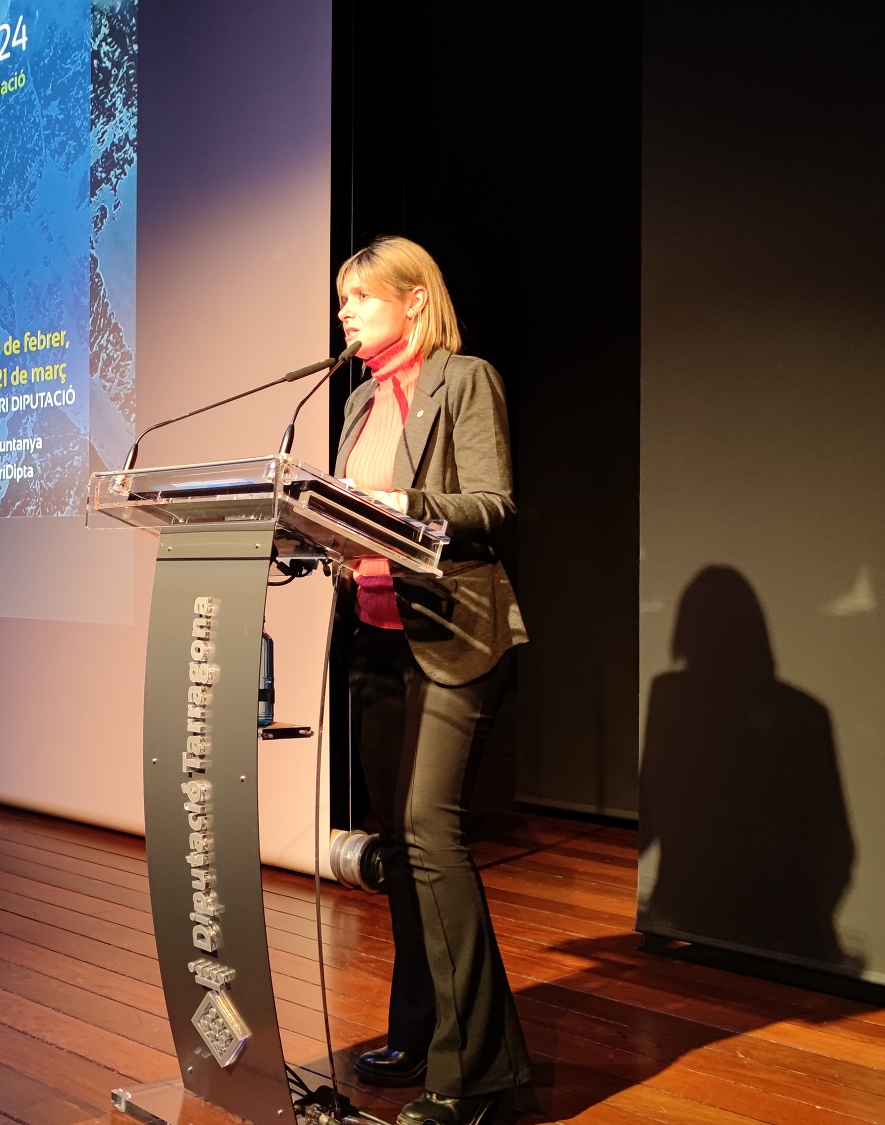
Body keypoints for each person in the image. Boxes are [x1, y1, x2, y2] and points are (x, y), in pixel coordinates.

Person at [333, 236, 531, 1125]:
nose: (346, 313)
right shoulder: (356, 404)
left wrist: (398, 508)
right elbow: (340, 511)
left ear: (413, 301)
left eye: (360, 298)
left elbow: (491, 503)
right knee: (402, 857)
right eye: (343, 302)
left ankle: (481, 1071)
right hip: (373, 644)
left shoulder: (466, 378)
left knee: (428, 830)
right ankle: (417, 1029)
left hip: (455, 632)